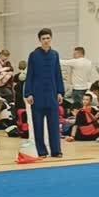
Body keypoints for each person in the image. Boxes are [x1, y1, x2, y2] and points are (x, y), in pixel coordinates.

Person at [24, 28, 65, 159]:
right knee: (38, 125)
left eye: (48, 38)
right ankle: (41, 151)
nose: (46, 41)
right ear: (40, 40)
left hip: (52, 95)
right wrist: (28, 93)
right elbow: (29, 75)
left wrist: (60, 92)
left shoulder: (55, 55)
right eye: (43, 39)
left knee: (54, 125)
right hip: (37, 95)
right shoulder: (33, 55)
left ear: (51, 38)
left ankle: (56, 151)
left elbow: (58, 74)